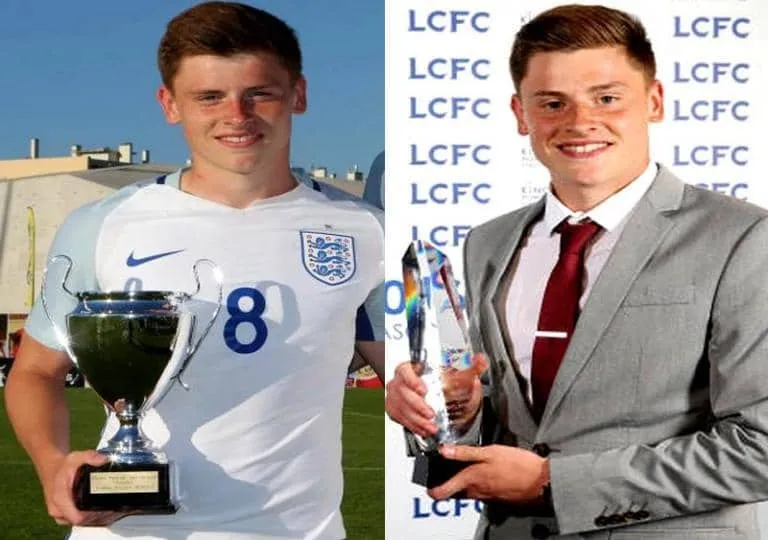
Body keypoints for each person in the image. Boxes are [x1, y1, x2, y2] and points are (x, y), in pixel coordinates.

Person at [386, 4, 768, 539]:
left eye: (607, 98)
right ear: (521, 114)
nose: (579, 122)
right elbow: (521, 420)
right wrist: (458, 410)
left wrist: (552, 481)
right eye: (552, 103)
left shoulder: (744, 238)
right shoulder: (488, 243)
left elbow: (761, 448)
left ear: (653, 101)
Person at [4, 2, 384, 539]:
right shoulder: (102, 223)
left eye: (259, 93)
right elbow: (36, 372)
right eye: (209, 96)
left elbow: (410, 379)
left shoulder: (367, 231)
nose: (236, 114)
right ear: (169, 104)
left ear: (298, 94)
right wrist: (51, 464)